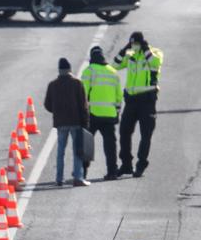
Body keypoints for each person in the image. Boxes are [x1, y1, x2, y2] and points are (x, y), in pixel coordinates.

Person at [114, 31, 163, 178]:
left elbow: (154, 63)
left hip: (147, 100)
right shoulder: (131, 55)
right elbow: (115, 65)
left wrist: (146, 48)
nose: (134, 46)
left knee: (145, 134)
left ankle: (141, 164)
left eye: (136, 43)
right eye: (132, 43)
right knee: (124, 132)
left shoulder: (156, 53)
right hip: (131, 100)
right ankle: (126, 164)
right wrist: (124, 49)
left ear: (142, 43)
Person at [43, 58, 90, 187]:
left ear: (59, 70)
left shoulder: (53, 85)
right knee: (77, 151)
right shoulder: (77, 83)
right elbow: (84, 105)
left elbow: (47, 105)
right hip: (76, 122)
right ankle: (78, 178)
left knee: (60, 151)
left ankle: (59, 178)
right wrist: (85, 122)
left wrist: (57, 112)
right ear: (70, 69)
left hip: (60, 123)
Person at [81, 45, 122, 180]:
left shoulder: (89, 71)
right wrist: (117, 112)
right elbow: (118, 96)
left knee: (87, 144)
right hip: (109, 115)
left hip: (92, 114)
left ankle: (83, 173)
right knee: (110, 145)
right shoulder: (112, 71)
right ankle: (112, 172)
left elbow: (83, 94)